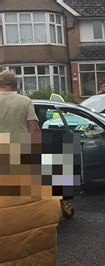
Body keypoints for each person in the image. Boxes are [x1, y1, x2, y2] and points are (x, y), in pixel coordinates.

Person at [0, 70, 62, 265]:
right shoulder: (25, 101)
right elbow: (33, 129)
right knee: (25, 201)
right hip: (19, 152)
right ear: (15, 83)